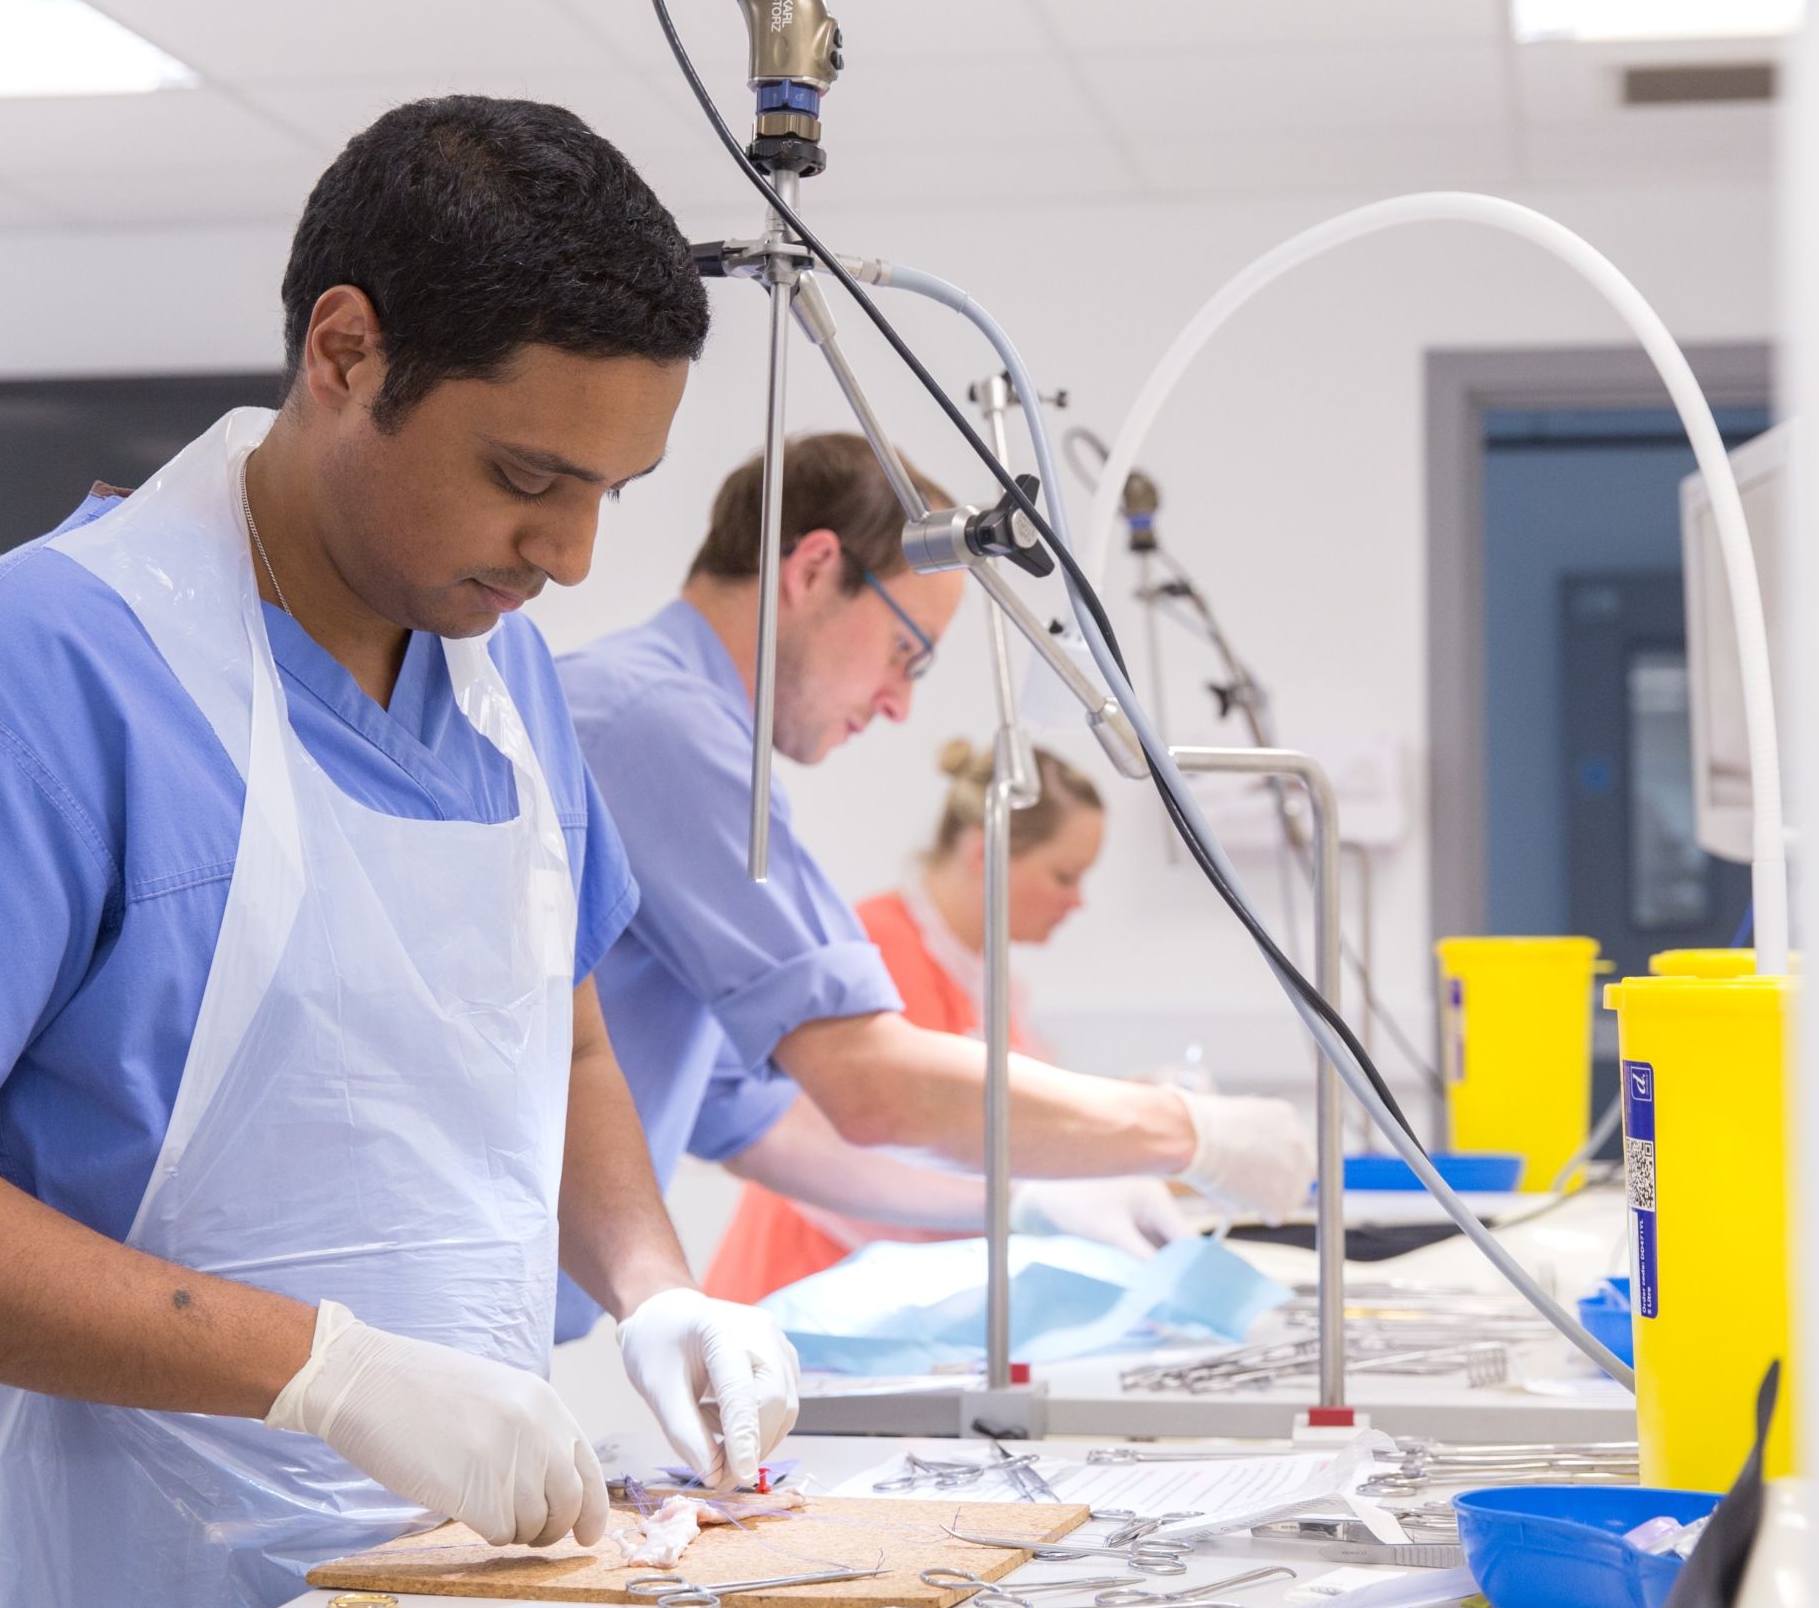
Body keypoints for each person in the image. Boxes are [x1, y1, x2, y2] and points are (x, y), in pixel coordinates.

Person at [0, 97, 798, 1608]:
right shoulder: (36, 676)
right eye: (528, 477)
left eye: (613, 493)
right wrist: (325, 1372)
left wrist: (656, 1285)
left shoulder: (500, 676)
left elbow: (564, 1029)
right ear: (345, 352)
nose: (572, 554)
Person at [554, 434, 1310, 1346]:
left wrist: (1027, 1199)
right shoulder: (656, 726)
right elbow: (874, 1090)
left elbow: (768, 1128)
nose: (900, 705)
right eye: (908, 655)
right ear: (815, 568)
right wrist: (1191, 1130)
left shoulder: (667, 728)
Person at [703, 738, 1193, 1303]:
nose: (1077, 902)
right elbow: (904, 1139)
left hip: (903, 1294)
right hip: (811, 1288)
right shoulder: (873, 955)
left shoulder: (987, 981)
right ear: (986, 853)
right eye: (1064, 876)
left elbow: (1011, 1128)